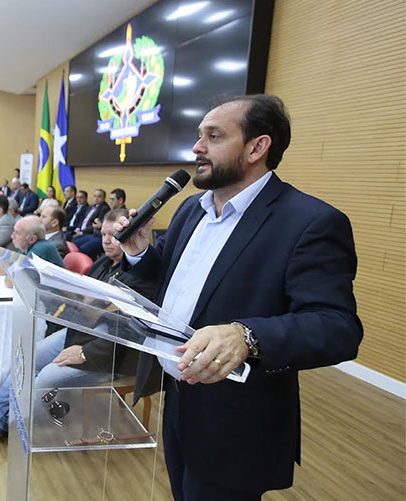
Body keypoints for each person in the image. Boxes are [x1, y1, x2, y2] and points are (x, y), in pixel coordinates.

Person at [115, 94, 362, 499]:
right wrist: (140, 253)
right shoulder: (191, 209)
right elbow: (172, 281)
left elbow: (337, 327)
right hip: (178, 398)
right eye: (199, 136)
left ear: (256, 147)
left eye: (213, 136)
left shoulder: (310, 222)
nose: (197, 147)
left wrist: (246, 336)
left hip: (236, 422)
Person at [0, 210, 155, 439]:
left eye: (114, 236)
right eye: (104, 234)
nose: (106, 240)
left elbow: (128, 331)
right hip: (82, 334)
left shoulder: (141, 274)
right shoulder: (103, 263)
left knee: (47, 376)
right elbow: (85, 306)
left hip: (110, 355)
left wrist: (85, 353)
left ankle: (12, 424)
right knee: (27, 357)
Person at [74, 188, 124, 259]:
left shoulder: (123, 215)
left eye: (112, 199)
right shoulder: (111, 211)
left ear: (120, 200)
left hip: (102, 238)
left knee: (83, 249)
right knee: (74, 242)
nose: (110, 201)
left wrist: (100, 226)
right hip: (96, 234)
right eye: (110, 199)